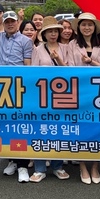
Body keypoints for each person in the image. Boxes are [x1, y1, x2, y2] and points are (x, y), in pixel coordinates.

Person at [0, 10, 34, 182]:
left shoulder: (26, 41)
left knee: (20, 126)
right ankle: (12, 160)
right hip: (1, 87)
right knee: (7, 125)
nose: (10, 24)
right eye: (7, 22)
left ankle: (22, 166)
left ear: (17, 22)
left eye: (12, 21)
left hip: (19, 88)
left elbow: (28, 65)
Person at [69, 12, 100, 184]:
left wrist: (91, 62)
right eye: (83, 24)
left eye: (90, 24)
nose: (87, 27)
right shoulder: (72, 44)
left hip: (99, 93)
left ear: (95, 28)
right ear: (78, 27)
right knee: (79, 128)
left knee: (98, 129)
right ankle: (82, 165)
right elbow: (70, 67)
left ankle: (95, 165)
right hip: (79, 91)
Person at [29, 16, 70, 182]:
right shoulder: (38, 50)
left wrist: (58, 59)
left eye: (55, 31)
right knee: (41, 130)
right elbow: (33, 73)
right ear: (44, 34)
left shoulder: (66, 48)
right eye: (49, 31)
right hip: (43, 96)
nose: (53, 34)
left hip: (63, 96)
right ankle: (39, 168)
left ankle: (57, 166)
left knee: (58, 131)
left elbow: (72, 71)